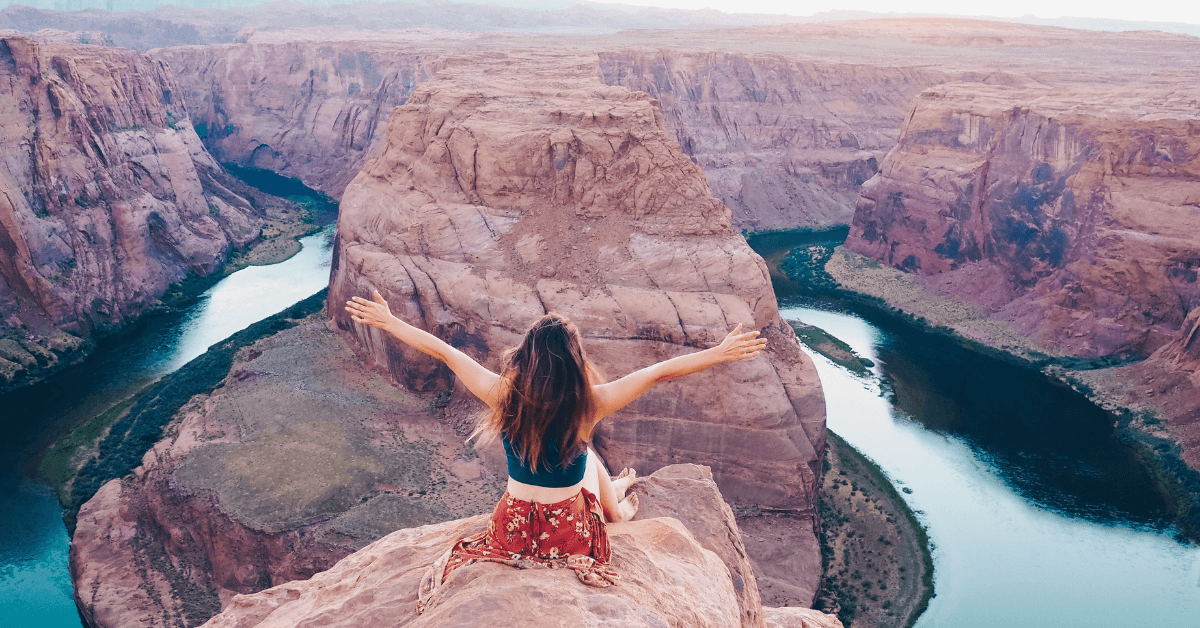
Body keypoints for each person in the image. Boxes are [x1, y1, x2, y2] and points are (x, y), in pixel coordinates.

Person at [343, 290, 767, 608]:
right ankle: (616, 507)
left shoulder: (501, 395)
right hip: (565, 533)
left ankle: (615, 495)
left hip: (511, 528)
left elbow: (445, 352)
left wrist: (389, 322)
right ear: (574, 359)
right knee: (586, 458)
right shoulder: (591, 402)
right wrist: (719, 353)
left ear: (525, 357)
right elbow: (657, 373)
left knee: (584, 458)